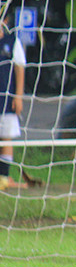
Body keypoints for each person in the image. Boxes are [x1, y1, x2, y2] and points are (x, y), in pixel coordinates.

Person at [0, 11, 26, 191]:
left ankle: (4, 177)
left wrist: (18, 95)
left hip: (6, 98)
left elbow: (20, 68)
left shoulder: (12, 42)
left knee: (6, 136)